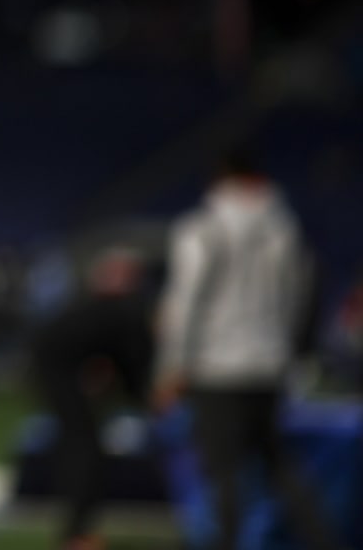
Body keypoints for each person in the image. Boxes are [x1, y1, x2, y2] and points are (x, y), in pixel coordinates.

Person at [152, 147, 343, 550]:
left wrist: (172, 366)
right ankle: (323, 542)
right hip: (269, 366)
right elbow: (297, 300)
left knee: (222, 472)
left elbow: (187, 302)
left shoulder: (202, 228)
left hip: (216, 368)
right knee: (278, 467)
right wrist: (288, 355)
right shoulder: (284, 229)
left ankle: (224, 544)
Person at [29, 249, 156, 550]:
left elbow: (107, 355)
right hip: (60, 375)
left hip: (61, 373)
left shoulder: (97, 306)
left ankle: (78, 530)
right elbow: (129, 360)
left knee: (81, 446)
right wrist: (144, 397)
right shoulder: (123, 310)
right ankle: (77, 534)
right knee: (84, 449)